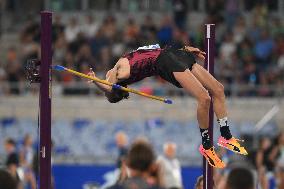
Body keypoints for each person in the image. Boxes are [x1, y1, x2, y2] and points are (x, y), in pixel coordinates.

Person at [88, 44, 247, 168]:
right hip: (165, 63)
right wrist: (96, 82)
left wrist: (184, 49)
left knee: (218, 89)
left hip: (172, 54)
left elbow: (153, 50)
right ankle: (206, 146)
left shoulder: (120, 64)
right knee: (204, 98)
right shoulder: (118, 74)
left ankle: (226, 137)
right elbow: (108, 88)